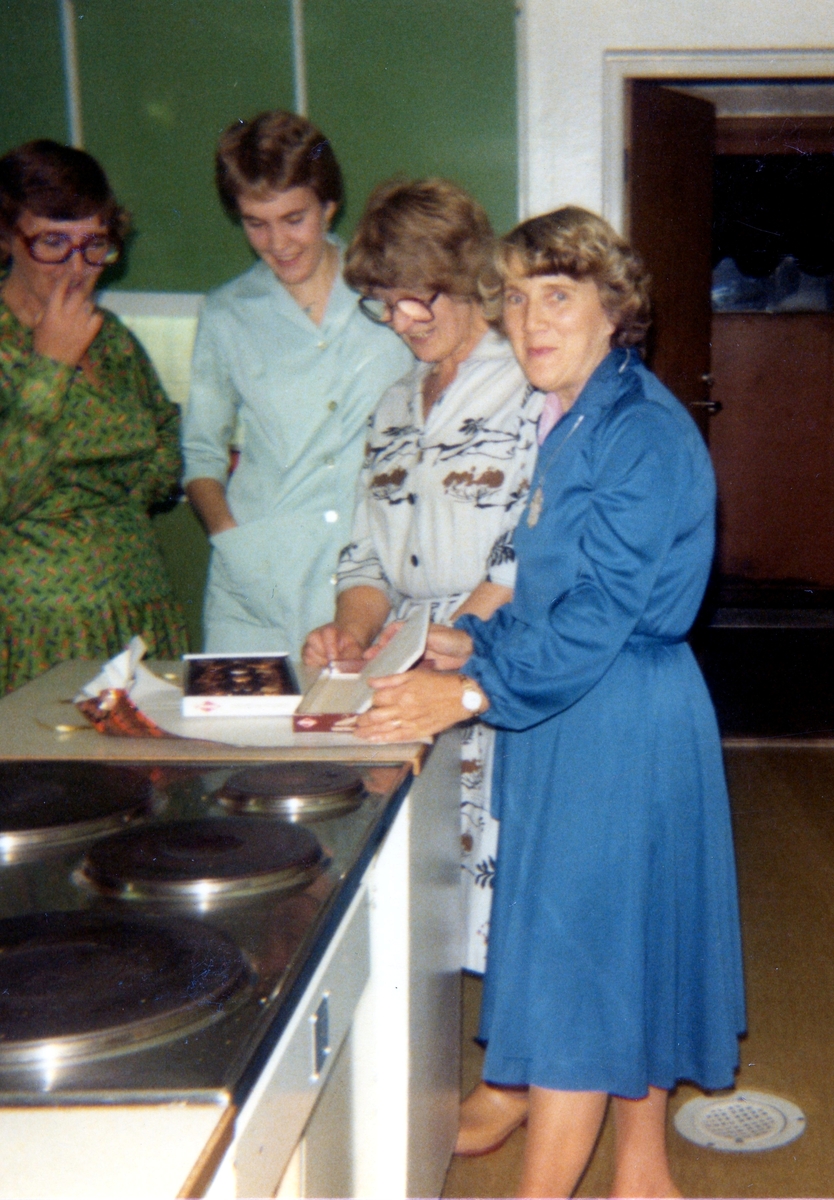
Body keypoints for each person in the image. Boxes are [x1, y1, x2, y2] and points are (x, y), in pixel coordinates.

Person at [355, 207, 745, 1197]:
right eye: (519, 299)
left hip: (617, 719)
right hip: (590, 707)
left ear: (614, 308)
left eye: (558, 297)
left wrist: (468, 689)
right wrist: (467, 642)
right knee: (625, 955)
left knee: (578, 985)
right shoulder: (575, 420)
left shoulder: (638, 433)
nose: (532, 321)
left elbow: (599, 617)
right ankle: (642, 1178)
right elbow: (549, 594)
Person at [302, 178, 540, 975]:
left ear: (466, 275)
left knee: (505, 909)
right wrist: (352, 633)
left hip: (488, 656)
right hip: (407, 662)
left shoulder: (528, 388)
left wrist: (447, 647)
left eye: (416, 299)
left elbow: (524, 555)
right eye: (383, 304)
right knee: (419, 917)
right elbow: (367, 553)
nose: (402, 322)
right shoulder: (394, 405)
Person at [182, 111, 410, 658]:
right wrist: (233, 542)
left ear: (328, 205)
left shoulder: (390, 293)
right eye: (255, 223)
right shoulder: (226, 313)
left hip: (373, 577)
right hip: (259, 581)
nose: (277, 242)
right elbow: (201, 454)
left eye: (293, 218)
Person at [0, 140, 187, 695]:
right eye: (53, 242)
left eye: (94, 245)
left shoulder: (113, 341)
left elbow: (163, 451)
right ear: (7, 236)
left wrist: (89, 499)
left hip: (138, 613)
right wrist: (50, 366)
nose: (78, 267)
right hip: (39, 628)